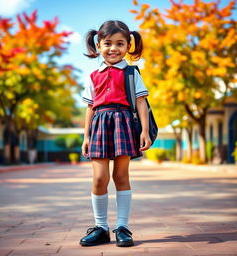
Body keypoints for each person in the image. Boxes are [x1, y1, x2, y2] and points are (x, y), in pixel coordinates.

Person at [80, 20, 151, 247]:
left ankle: (123, 227)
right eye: (108, 43)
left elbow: (141, 102)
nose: (113, 48)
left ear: (128, 46)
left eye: (120, 44)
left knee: (121, 177)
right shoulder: (93, 76)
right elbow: (90, 107)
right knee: (99, 178)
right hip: (99, 126)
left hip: (123, 124)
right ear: (98, 45)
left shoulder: (131, 73)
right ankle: (101, 228)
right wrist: (86, 136)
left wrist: (145, 132)